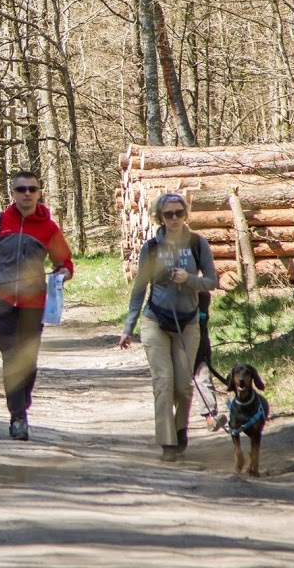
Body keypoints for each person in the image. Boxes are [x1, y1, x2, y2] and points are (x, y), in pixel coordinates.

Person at [0, 171, 74, 441]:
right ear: (13, 194)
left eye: (32, 189)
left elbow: (65, 262)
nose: (27, 193)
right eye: (21, 189)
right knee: (11, 356)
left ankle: (22, 402)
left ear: (39, 193)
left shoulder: (48, 227)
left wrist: (63, 273)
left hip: (34, 302)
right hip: (1, 299)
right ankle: (17, 416)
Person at [119, 192, 217, 462]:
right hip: (156, 320)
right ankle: (167, 442)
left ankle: (180, 428)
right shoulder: (151, 248)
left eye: (179, 213)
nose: (174, 218)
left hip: (188, 321)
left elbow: (212, 281)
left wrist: (189, 279)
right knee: (163, 383)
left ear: (185, 215)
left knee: (183, 386)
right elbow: (140, 288)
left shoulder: (197, 244)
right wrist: (128, 327)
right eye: (168, 214)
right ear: (160, 218)